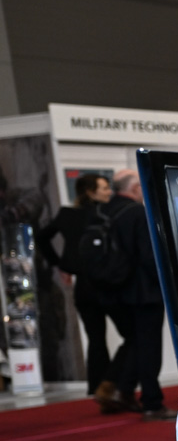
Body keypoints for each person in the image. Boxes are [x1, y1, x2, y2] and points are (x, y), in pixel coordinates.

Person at [48, 173, 130, 407]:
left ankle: (97, 386)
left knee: (96, 338)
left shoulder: (67, 214)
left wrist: (61, 264)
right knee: (132, 335)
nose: (109, 192)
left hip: (83, 286)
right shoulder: (104, 215)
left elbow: (43, 237)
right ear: (90, 191)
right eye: (104, 188)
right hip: (105, 284)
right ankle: (111, 383)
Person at [104, 170, 169, 421]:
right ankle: (152, 402)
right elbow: (149, 257)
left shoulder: (105, 211)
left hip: (115, 292)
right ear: (134, 188)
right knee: (148, 348)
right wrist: (168, 282)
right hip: (145, 293)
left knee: (134, 343)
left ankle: (124, 391)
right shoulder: (137, 213)